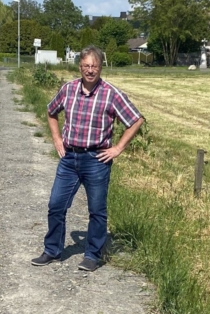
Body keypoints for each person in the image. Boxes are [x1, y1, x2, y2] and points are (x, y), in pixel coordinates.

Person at [32, 45, 144, 272]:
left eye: (94, 66)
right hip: (69, 158)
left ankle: (92, 255)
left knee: (97, 210)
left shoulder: (112, 93)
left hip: (96, 160)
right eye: (86, 66)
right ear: (80, 66)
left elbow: (136, 120)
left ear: (101, 67)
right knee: (55, 205)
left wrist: (118, 148)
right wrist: (56, 139)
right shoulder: (68, 89)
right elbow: (51, 111)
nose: (90, 70)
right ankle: (52, 250)